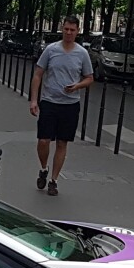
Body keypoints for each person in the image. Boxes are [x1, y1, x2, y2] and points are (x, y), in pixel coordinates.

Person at [29, 15, 93, 196]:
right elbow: (38, 74)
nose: (69, 33)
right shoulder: (51, 50)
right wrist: (34, 100)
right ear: (62, 29)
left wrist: (78, 86)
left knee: (62, 143)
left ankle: (53, 181)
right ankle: (43, 168)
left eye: (72, 30)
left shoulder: (82, 54)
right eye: (66, 29)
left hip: (70, 105)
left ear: (77, 31)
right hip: (49, 101)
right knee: (43, 140)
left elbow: (90, 78)